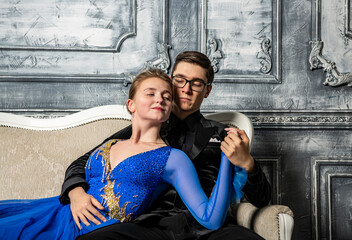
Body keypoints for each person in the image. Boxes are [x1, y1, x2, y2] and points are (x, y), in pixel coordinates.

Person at [0, 69, 242, 240]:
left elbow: (211, 219)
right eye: (150, 93)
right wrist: (75, 193)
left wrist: (227, 160)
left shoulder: (173, 158)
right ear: (131, 105)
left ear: (169, 111)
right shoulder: (111, 143)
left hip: (96, 232)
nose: (160, 98)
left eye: (167, 97)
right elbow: (78, 168)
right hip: (55, 212)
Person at [61, 51, 271, 240]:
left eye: (196, 83)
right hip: (151, 225)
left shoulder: (223, 134)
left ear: (207, 91)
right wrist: (76, 193)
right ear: (171, 82)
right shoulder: (143, 126)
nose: (186, 89)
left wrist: (249, 164)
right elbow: (84, 162)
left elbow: (262, 199)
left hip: (210, 228)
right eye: (180, 80)